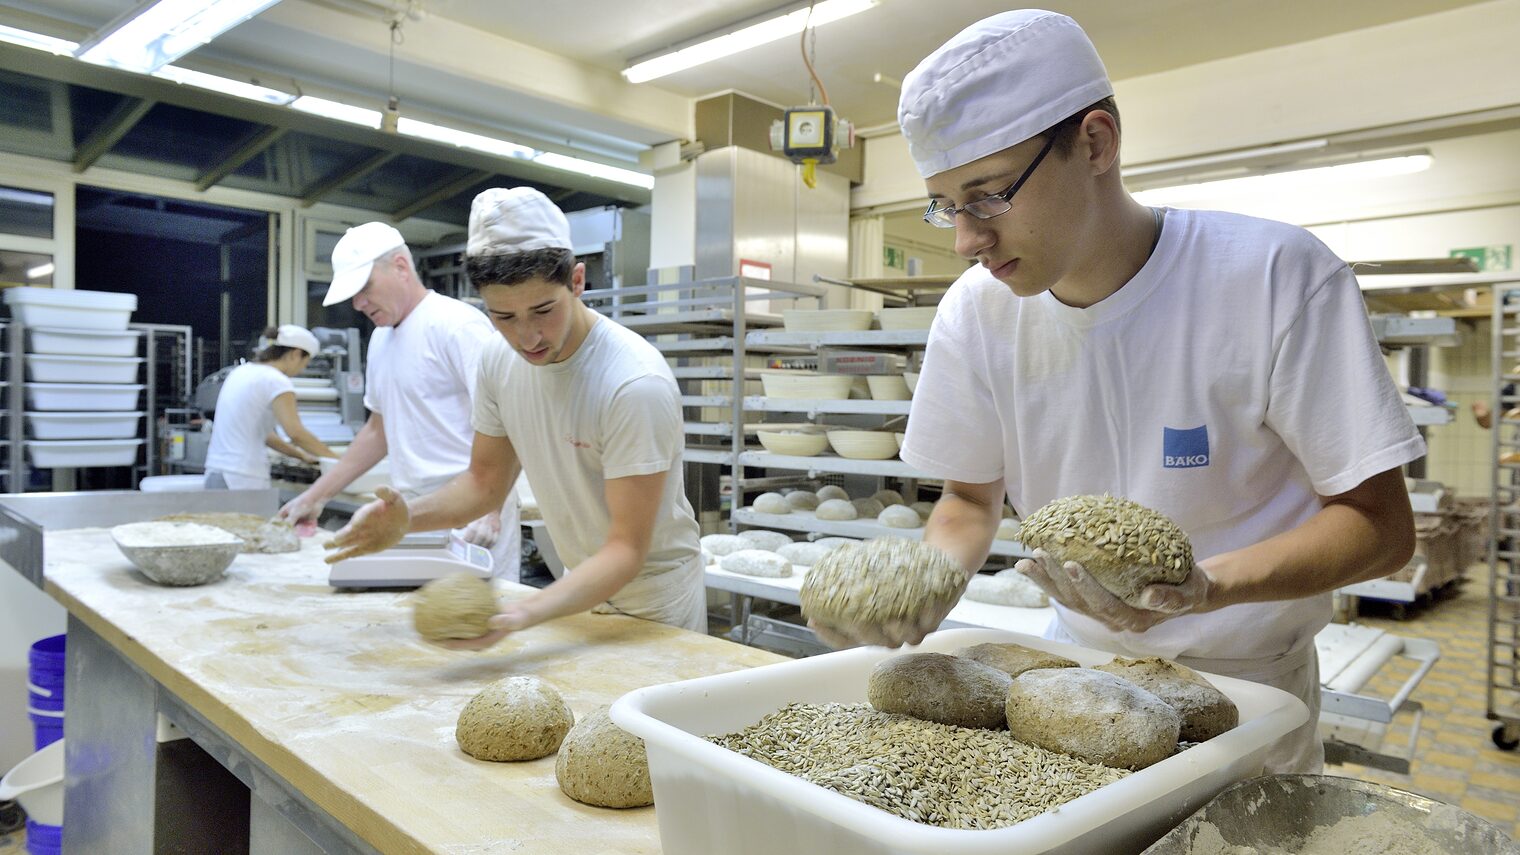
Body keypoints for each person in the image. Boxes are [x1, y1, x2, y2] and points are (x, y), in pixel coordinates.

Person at [817, 10, 1423, 774]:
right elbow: (970, 501)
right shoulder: (974, 315)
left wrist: (1203, 589)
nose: (967, 240)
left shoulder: (1274, 279)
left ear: (1096, 143)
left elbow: (1380, 526)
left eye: (988, 196)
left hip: (1251, 695)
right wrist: (923, 583)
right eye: (945, 204)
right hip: (1070, 688)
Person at [324, 187, 706, 640]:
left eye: (543, 310)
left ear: (577, 281)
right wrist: (407, 519)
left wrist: (522, 614)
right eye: (504, 316)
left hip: (652, 600)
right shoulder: (497, 361)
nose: (527, 338)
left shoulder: (633, 383)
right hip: (579, 586)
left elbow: (626, 548)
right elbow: (484, 485)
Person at [277, 222, 520, 579]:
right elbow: (378, 431)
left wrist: (491, 506)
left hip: (472, 506)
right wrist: (316, 495)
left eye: (365, 288)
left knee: (479, 621)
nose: (358, 303)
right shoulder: (380, 340)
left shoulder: (456, 325)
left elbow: (511, 417)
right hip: (413, 508)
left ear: (401, 267)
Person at [203, 325, 338, 489]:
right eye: (305, 362)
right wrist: (338, 461)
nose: (301, 370)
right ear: (295, 354)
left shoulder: (241, 372)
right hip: (243, 477)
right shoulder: (275, 380)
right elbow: (296, 433)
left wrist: (301, 455)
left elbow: (266, 435)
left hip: (217, 472)